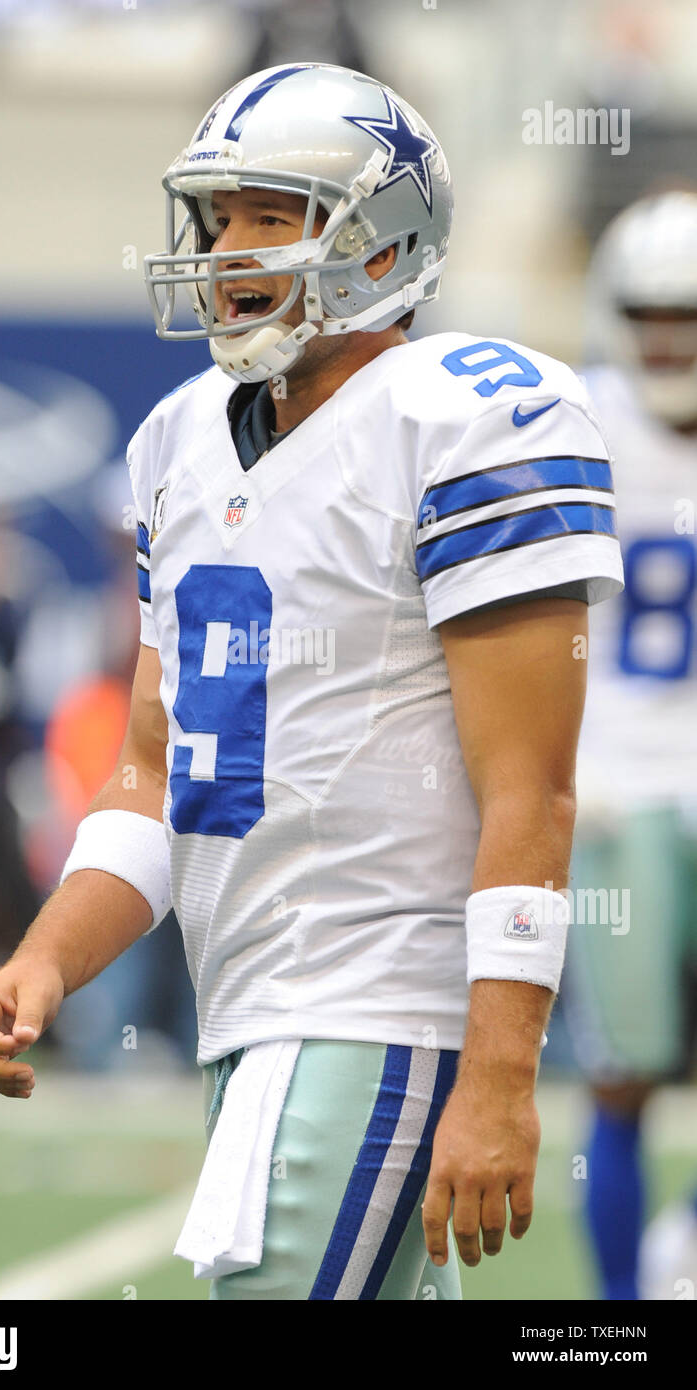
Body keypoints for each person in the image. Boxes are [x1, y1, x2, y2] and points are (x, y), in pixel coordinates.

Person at [0, 62, 623, 1301]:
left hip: (383, 1006)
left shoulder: (474, 416)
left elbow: (531, 795)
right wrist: (46, 959)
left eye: (273, 214)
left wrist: (500, 1076)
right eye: (218, 218)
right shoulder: (175, 437)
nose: (229, 249)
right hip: (254, 1008)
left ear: (384, 240)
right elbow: (160, 770)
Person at [562, 189, 697, 1301]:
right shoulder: (577, 422)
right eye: (654, 313)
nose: (671, 338)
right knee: (621, 1075)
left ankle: (675, 1249)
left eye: (688, 314)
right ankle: (620, 1315)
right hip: (616, 783)